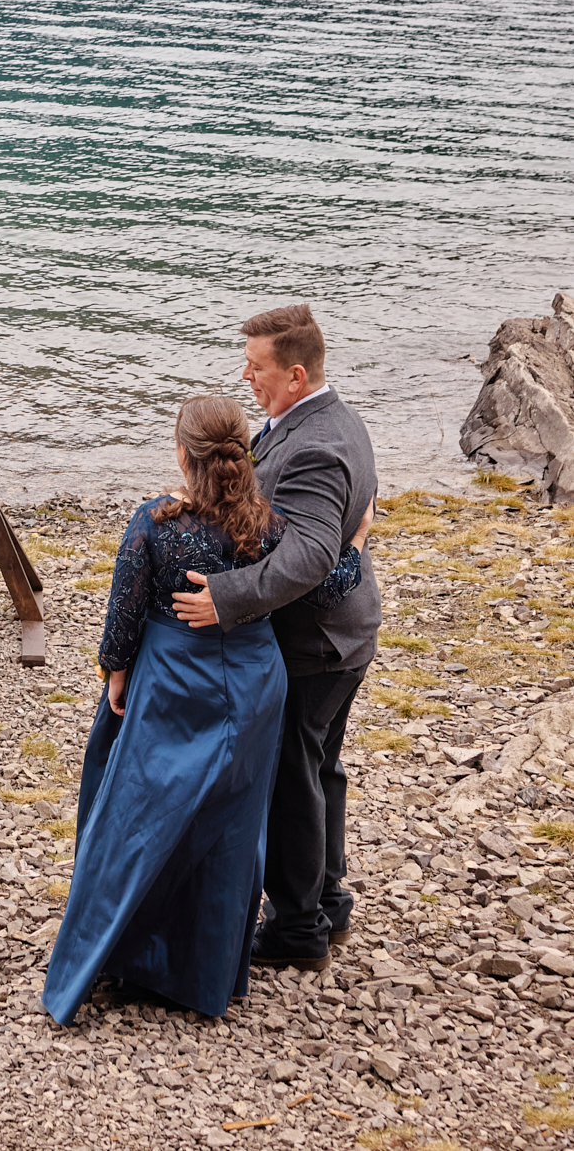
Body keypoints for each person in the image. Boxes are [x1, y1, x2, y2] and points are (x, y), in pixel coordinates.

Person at [43, 396, 372, 1025]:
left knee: (140, 810)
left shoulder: (153, 523)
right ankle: (205, 968)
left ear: (181, 454)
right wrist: (354, 541)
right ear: (242, 456)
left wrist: (115, 672)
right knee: (228, 825)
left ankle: (122, 947)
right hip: (252, 682)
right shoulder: (269, 527)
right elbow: (330, 581)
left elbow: (125, 613)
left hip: (173, 679)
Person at [172, 304, 381, 970]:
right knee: (319, 767)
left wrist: (225, 600)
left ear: (294, 374)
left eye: (255, 367)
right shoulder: (332, 418)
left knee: (294, 778)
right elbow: (349, 521)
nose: (245, 375)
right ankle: (326, 900)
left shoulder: (315, 444)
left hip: (314, 642)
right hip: (342, 634)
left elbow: (308, 556)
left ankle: (296, 930)